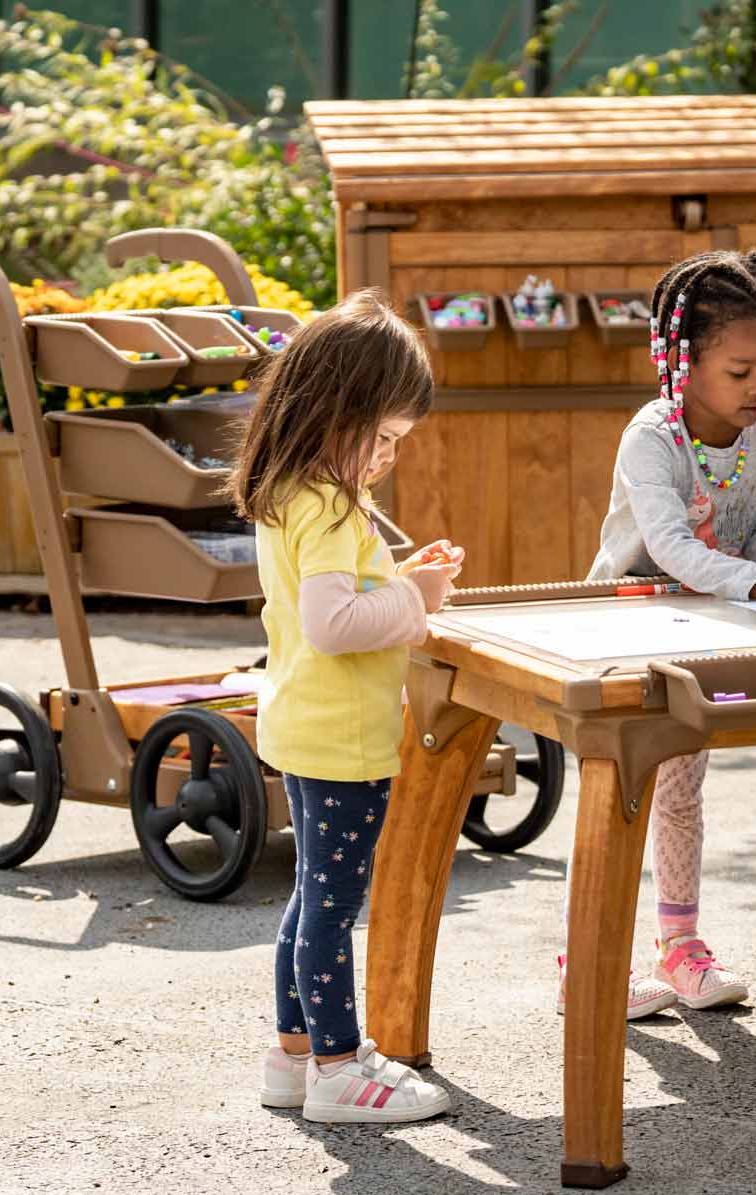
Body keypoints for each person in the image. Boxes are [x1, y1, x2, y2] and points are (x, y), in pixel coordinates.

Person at [229, 289, 466, 1121]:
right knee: (331, 910)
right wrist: (417, 598)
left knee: (309, 901)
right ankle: (337, 1070)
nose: (391, 456)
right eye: (386, 436)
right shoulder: (330, 506)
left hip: (305, 723)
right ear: (338, 411)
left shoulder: (296, 492)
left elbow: (328, 602)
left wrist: (402, 578)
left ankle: (294, 1058)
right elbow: (335, 626)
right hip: (342, 738)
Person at [578, 249, 756, 1017]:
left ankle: (680, 947)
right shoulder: (652, 438)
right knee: (615, 792)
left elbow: (750, 524)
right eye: (741, 370)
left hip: (702, 631)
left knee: (682, 792)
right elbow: (670, 545)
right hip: (626, 632)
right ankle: (586, 959)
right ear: (682, 362)